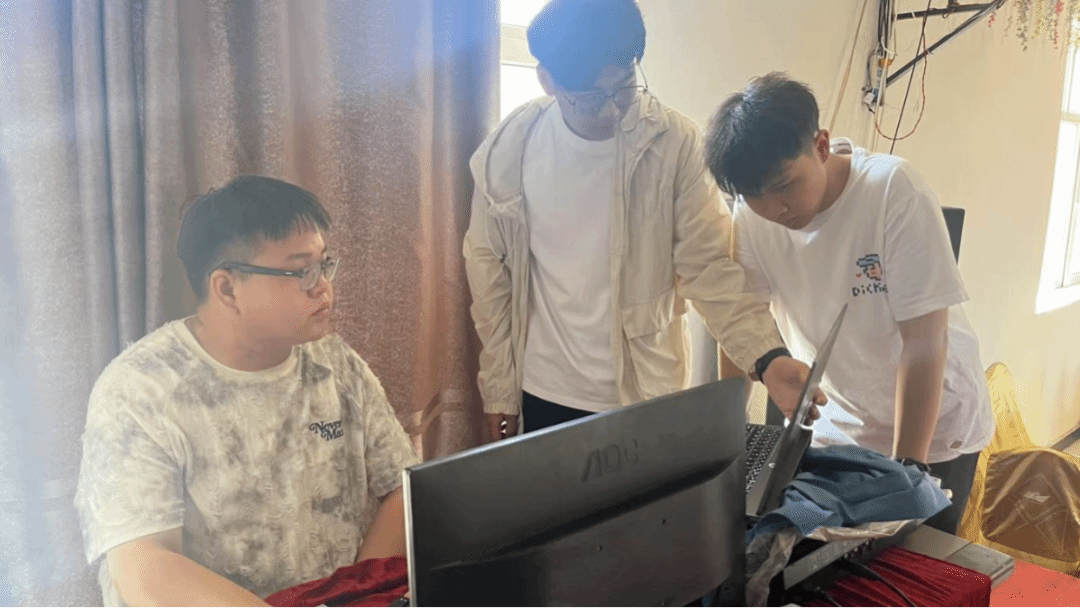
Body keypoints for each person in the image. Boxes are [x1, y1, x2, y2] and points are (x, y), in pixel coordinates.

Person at [463, 0, 818, 443]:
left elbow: (709, 269)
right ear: (547, 81)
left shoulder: (673, 145)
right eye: (592, 99)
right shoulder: (509, 151)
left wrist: (767, 357)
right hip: (544, 389)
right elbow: (490, 277)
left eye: (625, 87)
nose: (613, 111)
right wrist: (499, 389)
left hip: (645, 393)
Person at [74, 176, 420, 608]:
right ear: (226, 288)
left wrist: (353, 593)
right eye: (301, 271)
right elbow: (145, 569)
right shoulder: (141, 389)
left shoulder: (334, 363)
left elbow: (401, 489)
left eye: (324, 265)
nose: (323, 287)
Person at [704, 72, 994, 534]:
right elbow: (744, 325)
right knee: (827, 562)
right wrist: (727, 438)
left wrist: (907, 473)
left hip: (933, 428)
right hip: (840, 426)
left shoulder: (892, 189)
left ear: (821, 146)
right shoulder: (753, 217)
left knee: (914, 563)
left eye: (785, 185)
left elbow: (924, 342)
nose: (776, 210)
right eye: (756, 197)